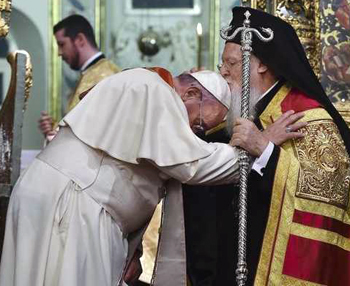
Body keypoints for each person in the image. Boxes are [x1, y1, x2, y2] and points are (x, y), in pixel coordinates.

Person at [0, 66, 300, 286]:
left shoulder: (148, 93)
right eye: (199, 125)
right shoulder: (152, 88)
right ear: (192, 93)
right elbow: (193, 165)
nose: (197, 134)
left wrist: (132, 249)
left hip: (68, 201)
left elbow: (134, 177)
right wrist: (262, 144)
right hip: (72, 205)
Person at [220, 7, 350, 285]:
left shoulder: (305, 116)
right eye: (223, 64)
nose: (223, 72)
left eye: (231, 64)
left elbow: (326, 188)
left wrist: (263, 148)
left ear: (262, 64)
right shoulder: (246, 109)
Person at [38, 14, 120, 141]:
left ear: (80, 39)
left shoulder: (105, 75)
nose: (59, 53)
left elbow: (96, 131)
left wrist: (55, 134)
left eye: (62, 44)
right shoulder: (90, 73)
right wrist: (53, 129)